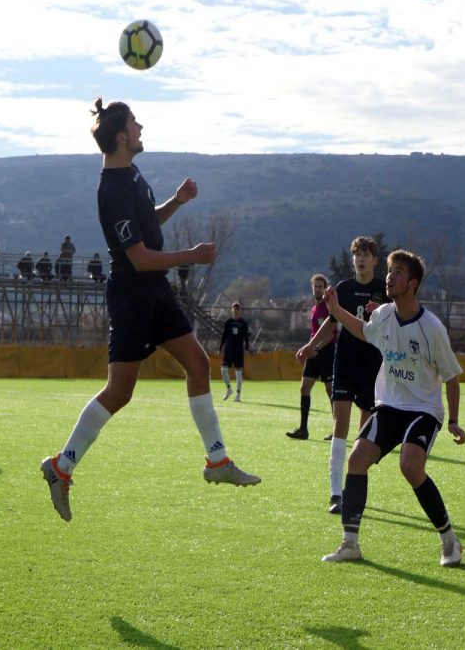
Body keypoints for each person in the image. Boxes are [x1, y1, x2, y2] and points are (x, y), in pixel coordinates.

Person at [39, 97, 260, 523]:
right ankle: (61, 467)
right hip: (133, 296)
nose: (141, 127)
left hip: (154, 290)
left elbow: (146, 226)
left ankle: (217, 461)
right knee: (120, 391)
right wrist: (191, 256)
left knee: (198, 363)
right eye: (135, 123)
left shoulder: (132, 174)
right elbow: (138, 257)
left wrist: (176, 202)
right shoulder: (113, 189)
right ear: (121, 136)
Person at [320, 249, 465, 567]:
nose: (389, 276)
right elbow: (364, 331)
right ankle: (350, 543)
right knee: (357, 459)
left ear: (412, 283)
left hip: (423, 410)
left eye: (397, 271)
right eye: (389, 270)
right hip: (389, 407)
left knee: (410, 466)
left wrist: (453, 420)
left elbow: (452, 377)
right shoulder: (383, 314)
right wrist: (336, 309)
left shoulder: (432, 328)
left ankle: (449, 540)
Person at [297, 236, 386, 515]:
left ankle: (353, 488)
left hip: (372, 368)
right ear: (353, 259)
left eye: (366, 254)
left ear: (375, 260)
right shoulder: (343, 289)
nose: (361, 259)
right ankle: (336, 493)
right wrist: (312, 345)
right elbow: (330, 323)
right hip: (344, 364)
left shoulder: (383, 290)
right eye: (357, 254)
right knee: (340, 427)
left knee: (363, 437)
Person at [287, 274, 337, 441]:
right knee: (304, 389)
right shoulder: (314, 309)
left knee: (330, 391)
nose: (317, 289)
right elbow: (314, 334)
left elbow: (330, 334)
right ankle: (303, 429)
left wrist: (316, 348)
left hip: (326, 353)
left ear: (325, 288)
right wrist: (306, 349)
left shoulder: (327, 307)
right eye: (315, 286)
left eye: (320, 286)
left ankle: (337, 430)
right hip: (314, 354)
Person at [219, 302, 251, 402]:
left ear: (239, 310)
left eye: (237, 309)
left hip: (238, 350)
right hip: (229, 349)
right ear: (231, 310)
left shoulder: (243, 323)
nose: (236, 310)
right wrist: (220, 348)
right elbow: (224, 336)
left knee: (238, 372)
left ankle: (238, 395)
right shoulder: (228, 322)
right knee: (223, 369)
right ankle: (229, 389)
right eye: (234, 308)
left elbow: (246, 337)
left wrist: (247, 348)